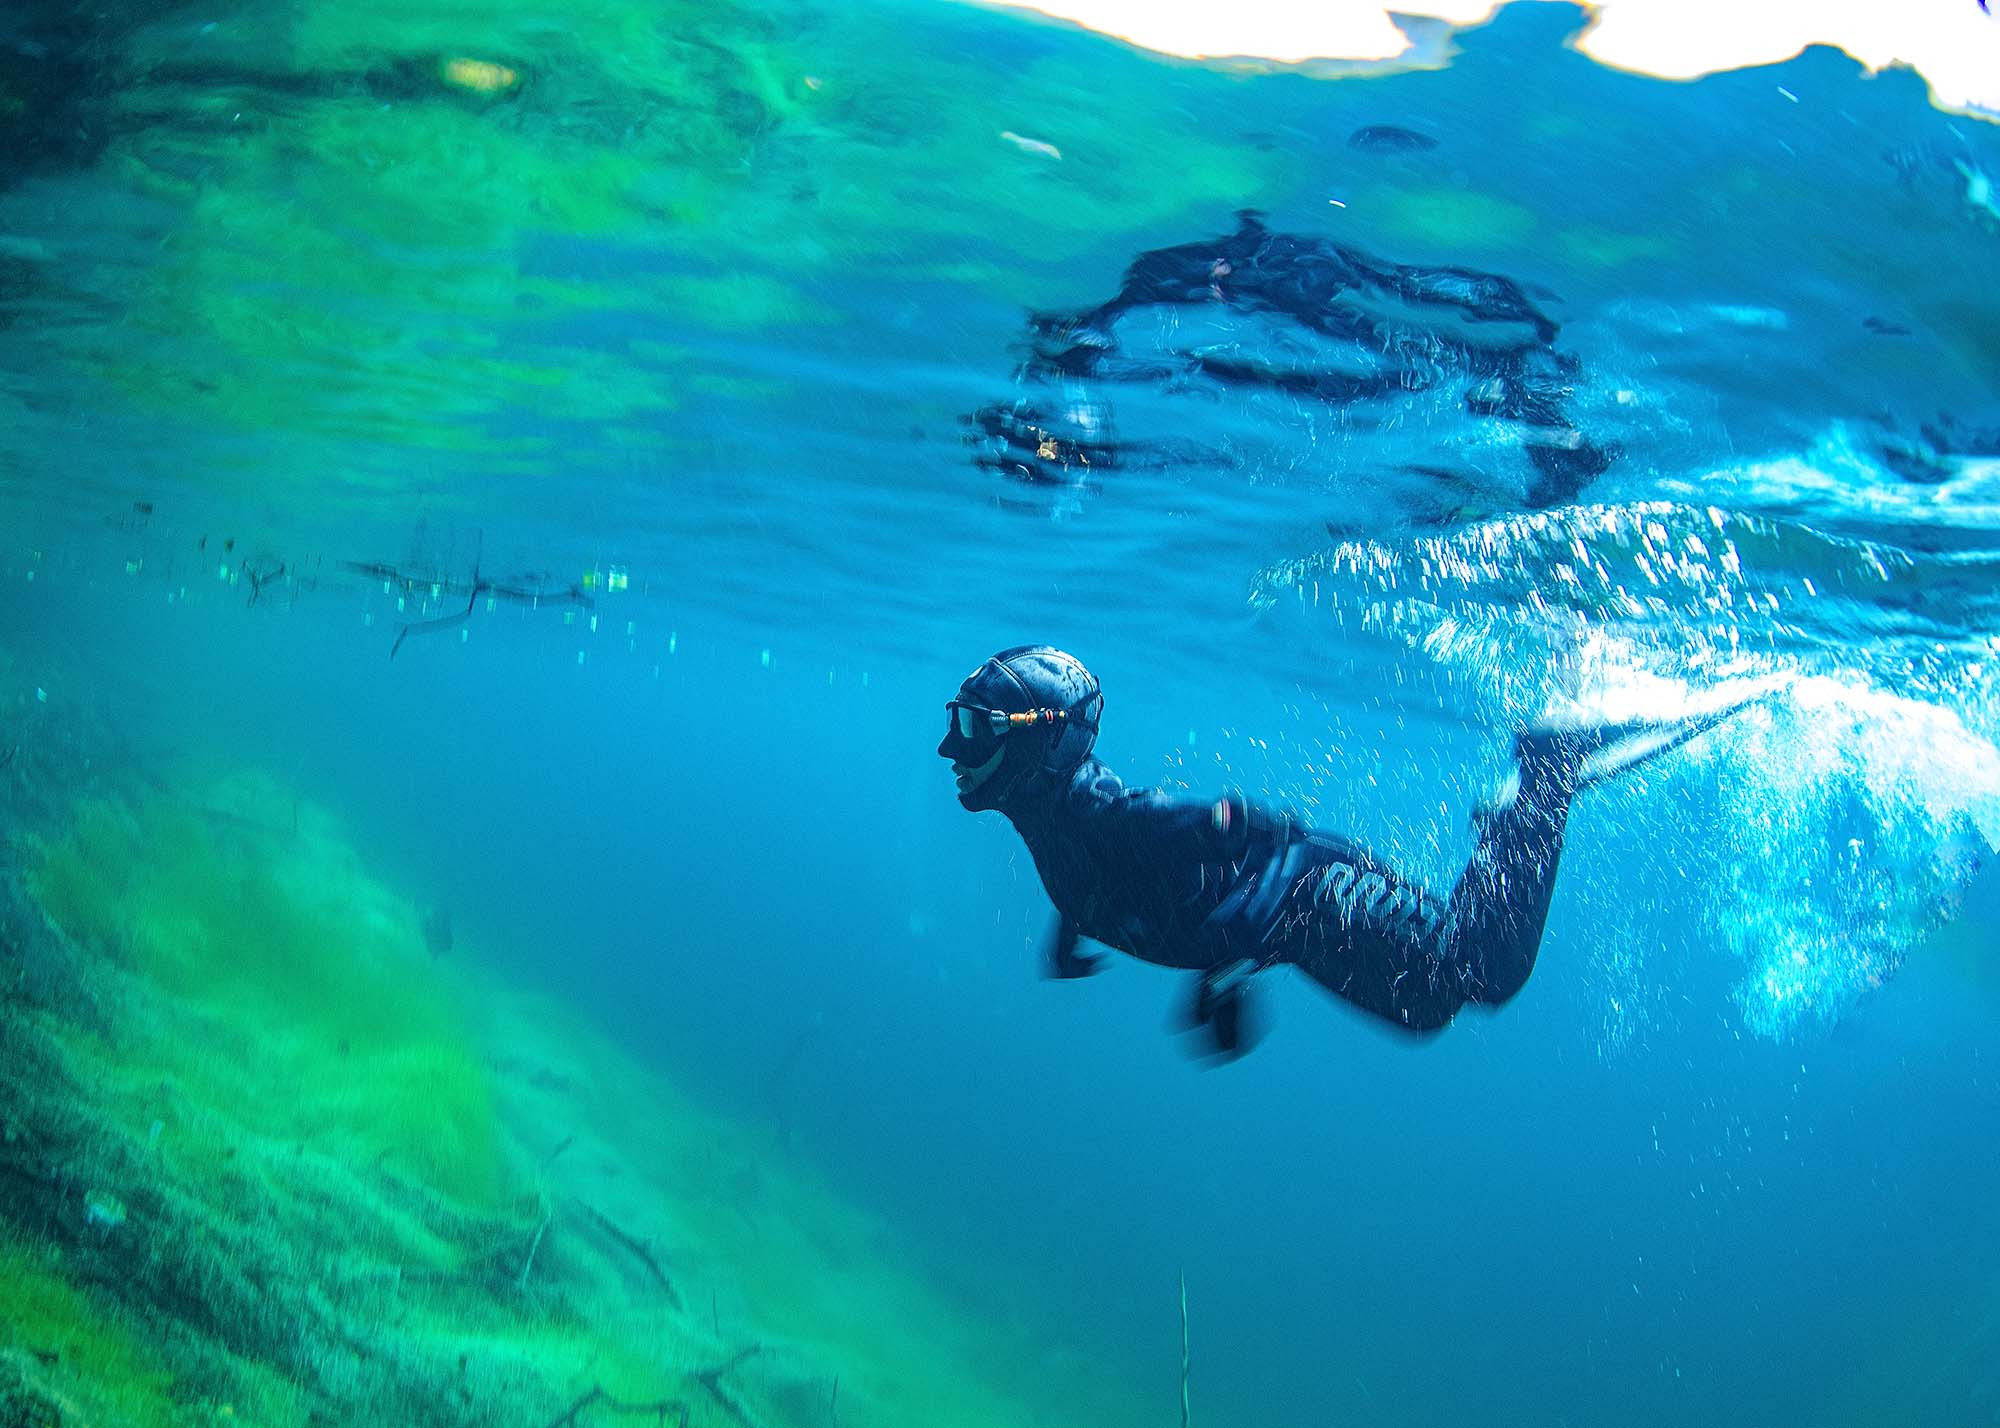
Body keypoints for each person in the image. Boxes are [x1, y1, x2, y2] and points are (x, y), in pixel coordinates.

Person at [937, 644, 1751, 1057]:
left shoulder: (1109, 823)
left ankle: (1546, 775)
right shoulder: (1061, 830)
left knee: (1485, 975)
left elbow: (1225, 827)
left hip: (1315, 896)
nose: (950, 748)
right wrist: (1188, 957)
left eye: (973, 727)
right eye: (958, 721)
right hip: (1287, 927)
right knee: (1430, 1011)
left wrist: (1221, 841)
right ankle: (1519, 804)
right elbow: (1117, 883)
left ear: (1041, 748)